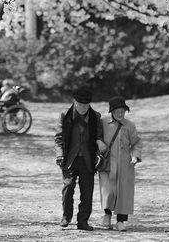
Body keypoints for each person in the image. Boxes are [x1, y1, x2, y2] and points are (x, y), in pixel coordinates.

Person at [54, 86, 106, 231]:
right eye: (80, 104)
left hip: (88, 160)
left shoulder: (96, 117)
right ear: (74, 102)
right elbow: (58, 139)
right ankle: (66, 217)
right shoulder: (65, 115)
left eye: (86, 105)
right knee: (68, 187)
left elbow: (99, 136)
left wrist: (99, 143)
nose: (83, 108)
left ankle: (83, 221)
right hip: (69, 159)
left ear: (89, 104)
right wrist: (59, 155)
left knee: (87, 192)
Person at [98, 96, 142, 231]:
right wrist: (98, 142)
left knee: (124, 193)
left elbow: (136, 143)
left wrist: (135, 155)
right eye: (117, 110)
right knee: (108, 190)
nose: (119, 113)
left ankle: (121, 221)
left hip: (125, 164)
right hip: (107, 163)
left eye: (122, 110)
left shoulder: (130, 125)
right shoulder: (102, 122)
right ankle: (107, 214)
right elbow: (96, 136)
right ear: (111, 111)